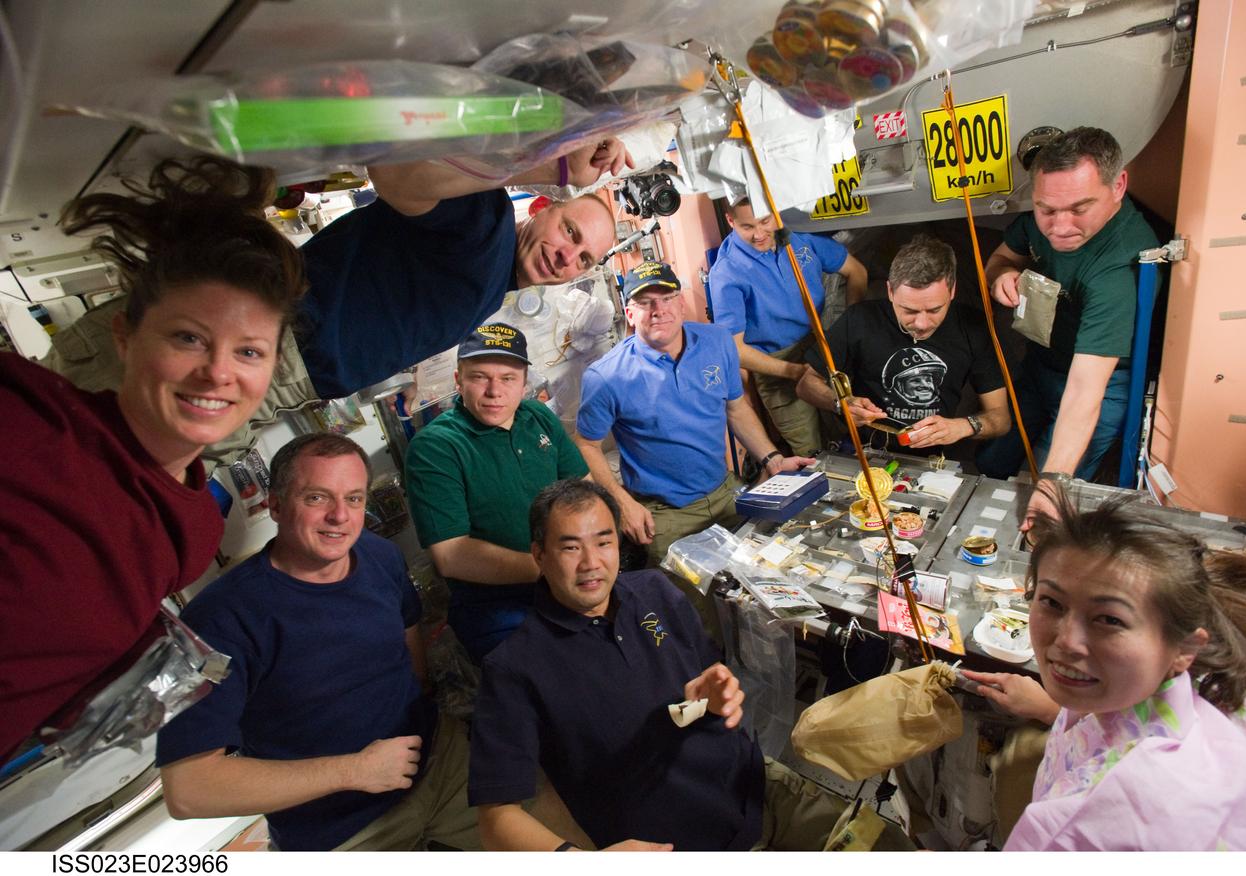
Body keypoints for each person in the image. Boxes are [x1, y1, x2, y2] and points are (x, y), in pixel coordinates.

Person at [42, 139, 633, 461]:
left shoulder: (491, 279)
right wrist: (549, 158)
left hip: (283, 377)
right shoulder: (484, 224)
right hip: (256, 344)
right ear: (544, 209)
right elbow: (398, 167)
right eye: (570, 234)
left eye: (584, 261)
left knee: (102, 468)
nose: (566, 257)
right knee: (62, 435)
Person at [0, 157, 306, 763]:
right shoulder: (26, 416)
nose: (218, 372)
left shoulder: (192, 531)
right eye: (187, 338)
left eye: (248, 350)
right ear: (124, 337)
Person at [468, 479, 850, 850]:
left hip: (757, 784)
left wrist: (713, 698)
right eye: (570, 548)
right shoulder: (514, 668)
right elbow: (496, 818)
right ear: (539, 555)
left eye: (604, 542)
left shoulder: (654, 590)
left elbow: (688, 703)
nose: (591, 563)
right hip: (676, 843)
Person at [156, 434, 479, 851]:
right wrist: (354, 771)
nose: (340, 516)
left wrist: (424, 700)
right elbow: (188, 789)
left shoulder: (380, 556)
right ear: (274, 505)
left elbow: (407, 633)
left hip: (438, 761)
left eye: (355, 498)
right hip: (337, 824)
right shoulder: (218, 621)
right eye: (316, 498)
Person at [961, 488, 1246, 850]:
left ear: (1185, 648)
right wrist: (1054, 710)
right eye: (1051, 601)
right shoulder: (1167, 686)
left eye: (1109, 619)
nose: (1066, 641)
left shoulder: (1109, 818)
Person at [574, 261, 813, 572]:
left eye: (667, 298)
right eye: (645, 302)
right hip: (665, 515)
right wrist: (623, 504)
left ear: (682, 303)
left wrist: (772, 459)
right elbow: (586, 445)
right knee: (691, 612)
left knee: (752, 586)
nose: (658, 309)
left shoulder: (717, 342)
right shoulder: (606, 377)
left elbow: (736, 407)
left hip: (727, 494)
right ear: (630, 314)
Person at [974, 127, 1159, 524]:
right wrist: (1002, 275)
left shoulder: (1117, 269)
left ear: (1119, 185)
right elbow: (1000, 258)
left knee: (1033, 490)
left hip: (1098, 385)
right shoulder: (1040, 219)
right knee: (991, 460)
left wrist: (1052, 482)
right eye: (1046, 210)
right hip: (1041, 364)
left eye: (1078, 209)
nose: (1059, 226)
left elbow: (1084, 390)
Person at [405, 322, 590, 663]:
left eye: (508, 378)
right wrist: (554, 569)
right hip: (497, 608)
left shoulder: (536, 416)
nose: (495, 391)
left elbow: (583, 491)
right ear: (459, 381)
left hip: (569, 581)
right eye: (480, 377)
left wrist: (593, 555)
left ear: (524, 384)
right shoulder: (436, 446)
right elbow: (451, 554)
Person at [796, 234, 1010, 450]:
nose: (922, 323)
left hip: (935, 460)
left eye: (935, 309)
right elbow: (806, 384)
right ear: (890, 291)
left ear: (952, 290)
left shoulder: (972, 327)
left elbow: (1001, 418)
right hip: (867, 449)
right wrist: (841, 404)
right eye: (909, 310)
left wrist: (963, 426)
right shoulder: (860, 319)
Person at [708, 197, 867, 456]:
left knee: (850, 436)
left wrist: (850, 329)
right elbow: (734, 350)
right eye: (747, 227)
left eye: (764, 221)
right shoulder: (727, 273)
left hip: (820, 345)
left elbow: (857, 272)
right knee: (812, 455)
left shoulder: (801, 241)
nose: (759, 234)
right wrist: (794, 371)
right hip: (776, 367)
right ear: (730, 221)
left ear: (775, 212)